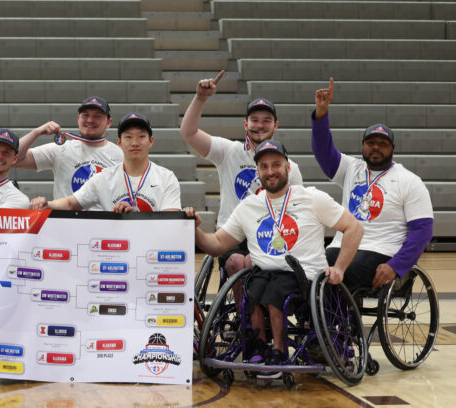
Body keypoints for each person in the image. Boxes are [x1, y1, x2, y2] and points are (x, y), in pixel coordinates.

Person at [185, 140, 363, 368]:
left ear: (288, 167)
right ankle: (259, 345)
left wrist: (339, 268)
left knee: (274, 286)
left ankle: (279, 349)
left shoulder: (312, 198)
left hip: (305, 277)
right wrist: (195, 229)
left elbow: (354, 228)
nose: (271, 171)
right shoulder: (249, 206)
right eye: (264, 166)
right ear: (258, 171)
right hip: (264, 274)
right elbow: (218, 243)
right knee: (252, 284)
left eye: (276, 165)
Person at [311, 78, 434, 292]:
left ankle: (336, 323)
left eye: (382, 144)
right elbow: (323, 151)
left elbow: (422, 231)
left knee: (344, 271)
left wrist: (396, 266)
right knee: (312, 266)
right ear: (363, 146)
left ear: (392, 148)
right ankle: (316, 323)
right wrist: (321, 114)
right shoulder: (352, 169)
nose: (376, 147)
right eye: (371, 143)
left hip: (382, 252)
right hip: (343, 246)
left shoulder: (409, 181)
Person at [180, 70, 305, 275]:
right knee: (239, 263)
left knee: (259, 264)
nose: (260, 125)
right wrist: (201, 97)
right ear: (245, 124)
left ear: (276, 125)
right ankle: (243, 309)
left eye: (266, 120)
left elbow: (298, 211)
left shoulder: (290, 168)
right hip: (232, 235)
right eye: (255, 120)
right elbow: (188, 133)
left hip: (271, 234)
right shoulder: (229, 151)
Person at [30, 112, 181, 213]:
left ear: (151, 141)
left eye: (141, 136)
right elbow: (70, 203)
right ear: (119, 143)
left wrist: (135, 216)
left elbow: (171, 220)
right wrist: (47, 204)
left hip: (152, 251)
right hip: (115, 252)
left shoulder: (166, 177)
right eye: (128, 137)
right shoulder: (104, 177)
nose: (135, 143)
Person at [14, 96, 123, 210]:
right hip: (65, 223)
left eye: (97, 116)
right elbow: (13, 159)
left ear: (109, 122)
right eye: (85, 115)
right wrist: (37, 132)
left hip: (104, 224)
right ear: (78, 118)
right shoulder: (61, 149)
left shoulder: (120, 155)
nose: (90, 120)